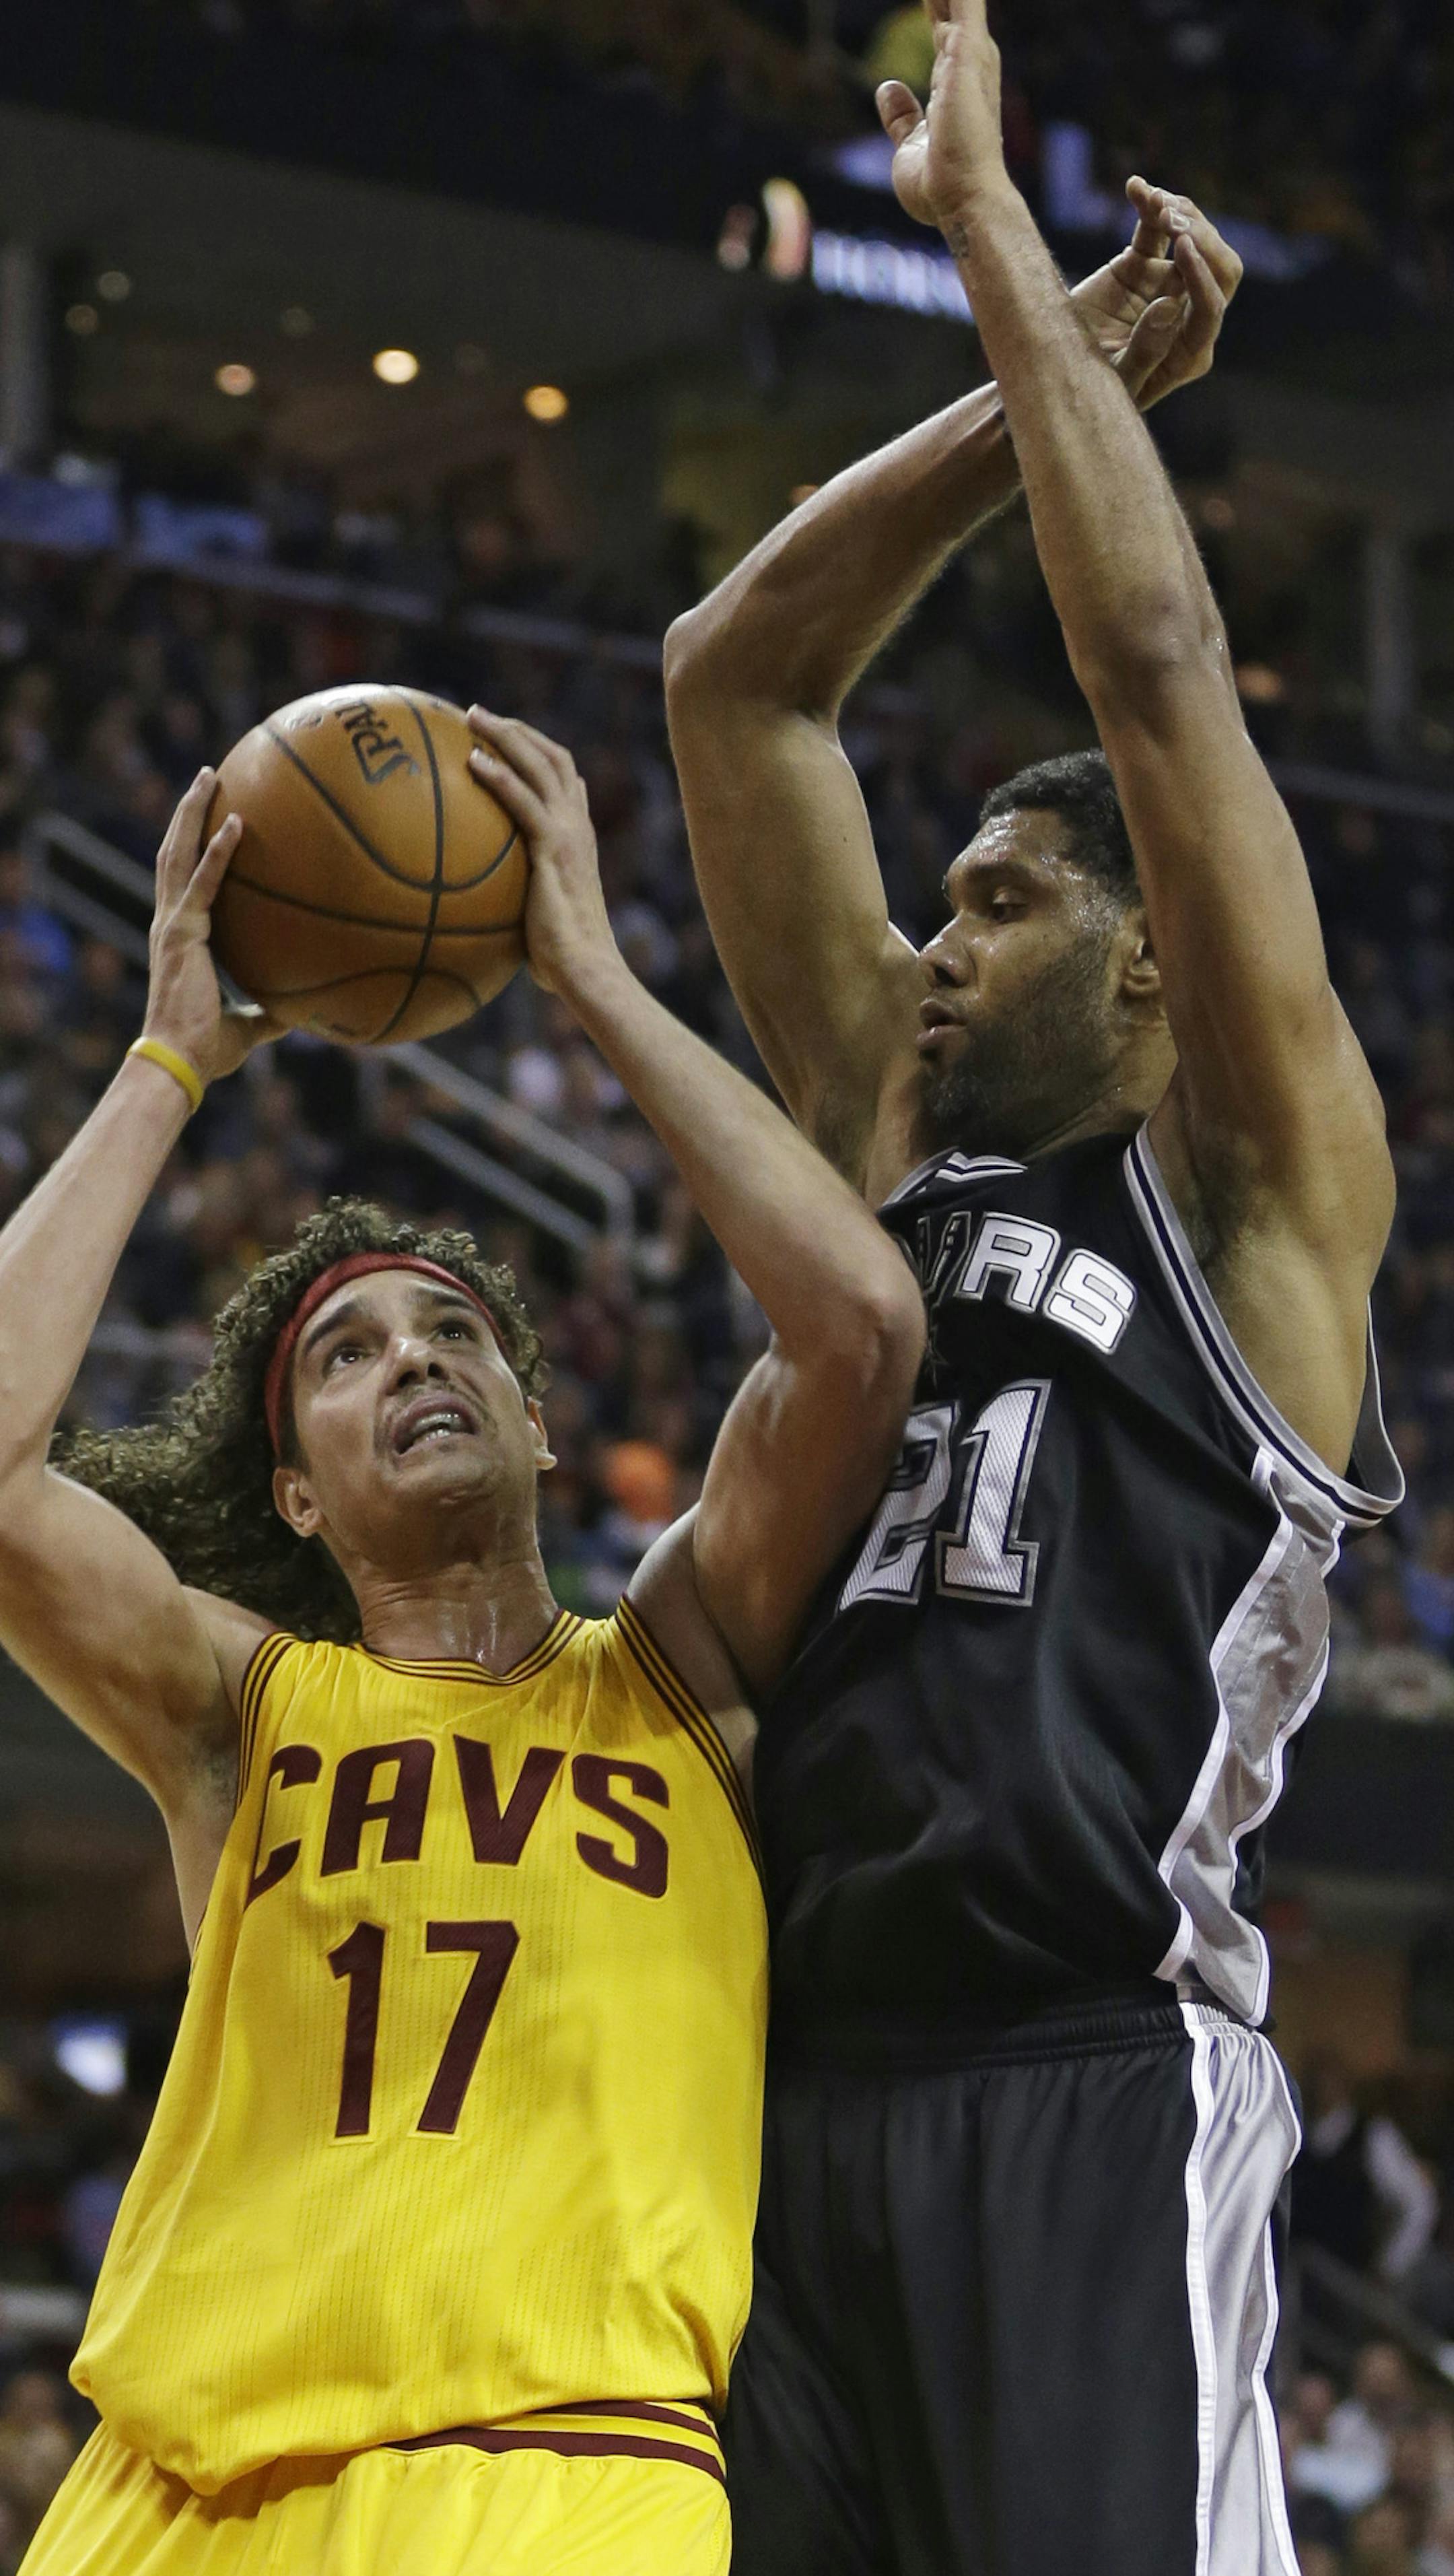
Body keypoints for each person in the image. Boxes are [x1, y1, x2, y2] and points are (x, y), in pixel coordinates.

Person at [664, 6, 1402, 2571]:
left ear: (1158, 966)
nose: (937, 950)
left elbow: (1159, 673)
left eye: (1007, 903)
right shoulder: (898, 1124)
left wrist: (987, 236)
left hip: (1087, 2071)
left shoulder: (1260, 1199)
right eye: (939, 905)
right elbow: (734, 683)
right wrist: (1041, 379)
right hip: (782, 2080)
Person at [6, 723, 925, 2576]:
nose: (414, 1358)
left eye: (456, 1335)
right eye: (346, 1357)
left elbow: (861, 1329)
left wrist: (590, 976)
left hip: (566, 2474)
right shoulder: (239, 1708)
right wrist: (169, 1060)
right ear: (297, 1501)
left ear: (541, 1425)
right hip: (183, 2501)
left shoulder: (677, 1663)